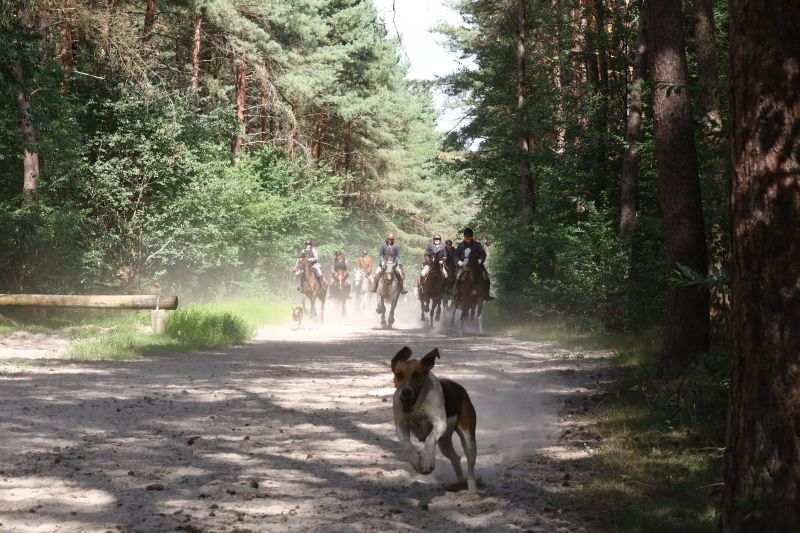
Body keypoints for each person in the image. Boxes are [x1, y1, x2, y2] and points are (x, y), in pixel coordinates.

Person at [454, 227, 493, 301]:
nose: (468, 238)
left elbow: (483, 254)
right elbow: (455, 255)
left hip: (477, 265)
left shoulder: (477, 245)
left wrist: (480, 260)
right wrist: (459, 262)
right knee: (458, 276)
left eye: (470, 237)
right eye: (467, 237)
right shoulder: (461, 245)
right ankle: (458, 294)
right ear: (464, 236)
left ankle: (486, 294)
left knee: (486, 277)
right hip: (464, 266)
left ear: (472, 236)